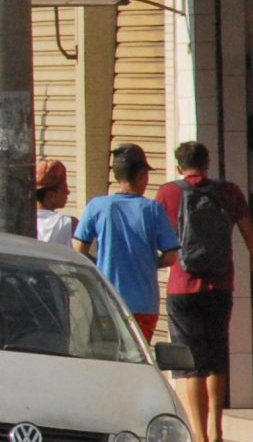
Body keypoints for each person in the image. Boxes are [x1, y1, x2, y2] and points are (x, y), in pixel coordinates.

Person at [155, 140, 253, 442]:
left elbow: (158, 245)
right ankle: (216, 434)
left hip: (183, 289)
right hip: (221, 287)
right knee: (216, 359)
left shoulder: (168, 193)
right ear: (208, 163)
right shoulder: (230, 192)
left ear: (179, 165)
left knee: (190, 365)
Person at [74, 144, 178, 342]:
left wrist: (101, 265)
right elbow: (171, 256)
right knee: (139, 358)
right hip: (144, 305)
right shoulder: (153, 210)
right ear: (140, 175)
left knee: (110, 357)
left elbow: (78, 248)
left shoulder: (97, 206)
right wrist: (149, 262)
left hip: (107, 302)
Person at [33, 159, 76, 249]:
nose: (68, 192)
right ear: (51, 196)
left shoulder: (22, 223)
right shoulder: (69, 223)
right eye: (64, 188)